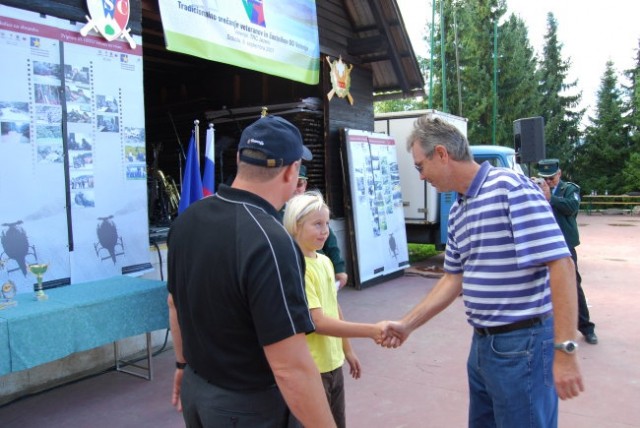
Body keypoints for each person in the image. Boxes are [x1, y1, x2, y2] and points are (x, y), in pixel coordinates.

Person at [381, 116, 584, 427]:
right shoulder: (460, 209)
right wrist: (408, 324)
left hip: (523, 346)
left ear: (442, 154)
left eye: (420, 166)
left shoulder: (509, 189)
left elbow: (561, 264)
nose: (420, 176)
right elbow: (453, 278)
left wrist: (566, 349)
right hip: (483, 347)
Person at [167, 115, 336, 427]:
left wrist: (181, 364)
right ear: (292, 170)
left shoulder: (186, 221)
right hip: (248, 406)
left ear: (238, 159)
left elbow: (174, 304)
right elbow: (291, 367)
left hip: (197, 390)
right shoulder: (271, 241)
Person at [283, 191, 387, 428]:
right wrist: (371, 330)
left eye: (327, 224)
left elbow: (334, 306)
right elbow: (317, 321)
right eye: (317, 224)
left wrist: (347, 350)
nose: (325, 231)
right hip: (311, 368)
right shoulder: (298, 268)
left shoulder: (325, 262)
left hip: (333, 365)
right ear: (296, 226)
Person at [537, 158, 598, 345]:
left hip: (564, 245)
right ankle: (545, 328)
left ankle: (586, 327)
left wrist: (550, 197)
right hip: (543, 244)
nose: (548, 182)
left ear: (559, 174)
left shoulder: (569, 189)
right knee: (540, 285)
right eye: (544, 179)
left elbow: (571, 208)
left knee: (573, 284)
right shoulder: (535, 189)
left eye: (551, 178)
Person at [294, 165, 349, 288]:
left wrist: (338, 267)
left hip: (319, 267)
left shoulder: (313, 207)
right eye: (292, 183)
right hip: (298, 271)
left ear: (305, 185)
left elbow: (330, 242)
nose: (295, 189)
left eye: (299, 184)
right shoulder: (277, 211)